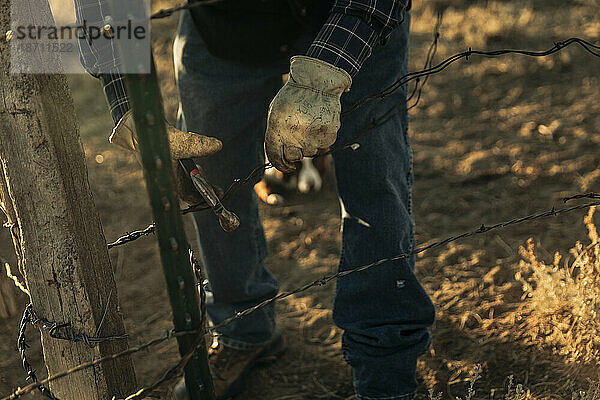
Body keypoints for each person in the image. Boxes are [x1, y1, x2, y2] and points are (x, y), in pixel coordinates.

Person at [75, 1, 435, 399]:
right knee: (208, 180)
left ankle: (385, 367)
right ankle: (242, 330)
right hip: (222, 24)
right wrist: (128, 105)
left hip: (348, 16)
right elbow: (102, 8)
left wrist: (325, 74)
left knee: (375, 179)